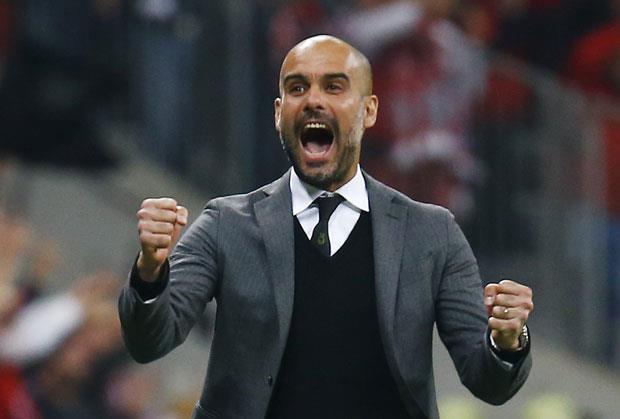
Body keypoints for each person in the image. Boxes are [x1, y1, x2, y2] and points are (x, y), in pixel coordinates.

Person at [118, 35, 533, 419]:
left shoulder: (431, 233)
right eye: (297, 88)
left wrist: (507, 340)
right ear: (279, 113)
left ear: (369, 110)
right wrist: (151, 270)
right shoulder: (225, 224)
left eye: (334, 87)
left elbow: (488, 380)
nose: (313, 100)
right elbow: (150, 341)